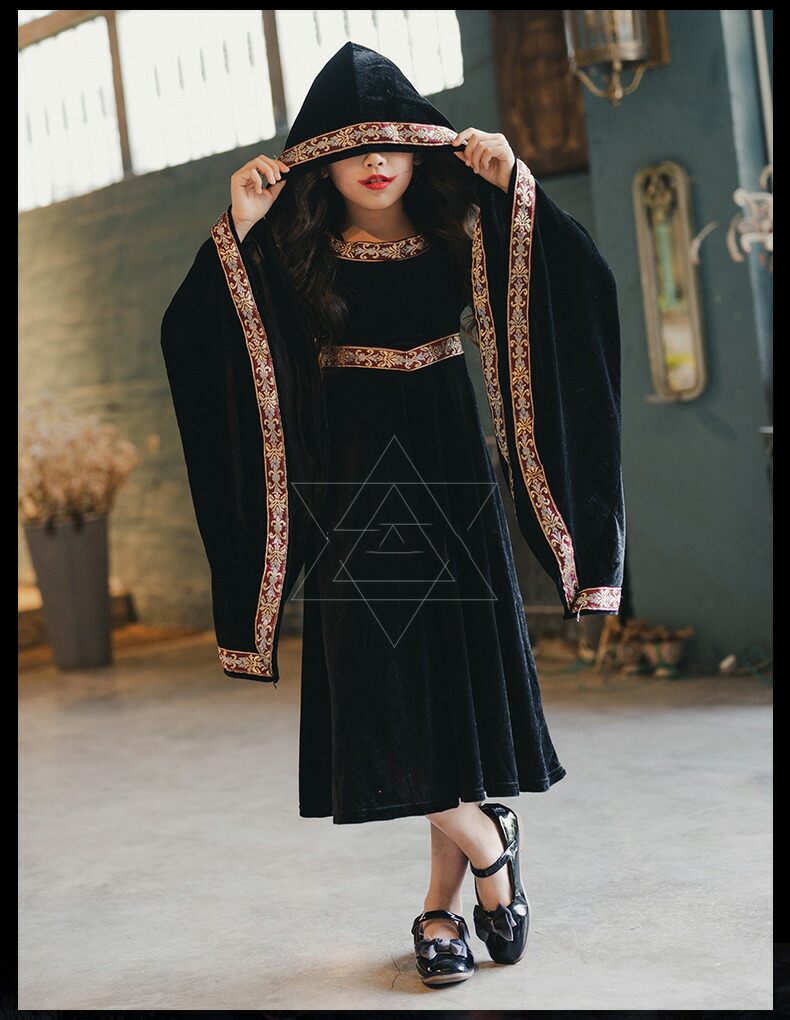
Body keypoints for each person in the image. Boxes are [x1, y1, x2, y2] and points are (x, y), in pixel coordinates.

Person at [161, 42, 624, 987]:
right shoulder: (292, 251)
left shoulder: (468, 231)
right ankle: (491, 845)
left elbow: (576, 285)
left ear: (420, 148)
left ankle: (439, 914)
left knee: (447, 698)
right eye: (351, 148)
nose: (376, 161)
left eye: (393, 143)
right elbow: (201, 336)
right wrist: (237, 225)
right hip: (354, 492)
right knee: (379, 702)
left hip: (451, 480)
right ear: (322, 162)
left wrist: (519, 185)